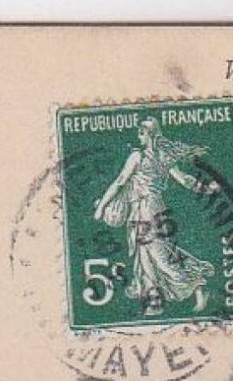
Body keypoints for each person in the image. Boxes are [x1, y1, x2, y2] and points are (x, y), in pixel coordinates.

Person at [92, 117, 219, 318]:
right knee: (151, 255)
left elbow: (119, 182)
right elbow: (185, 180)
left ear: (148, 134)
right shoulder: (164, 157)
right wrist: (206, 189)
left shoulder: (137, 156)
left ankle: (197, 285)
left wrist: (102, 207)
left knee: (158, 257)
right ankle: (154, 303)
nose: (138, 137)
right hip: (157, 209)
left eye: (141, 133)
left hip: (145, 210)